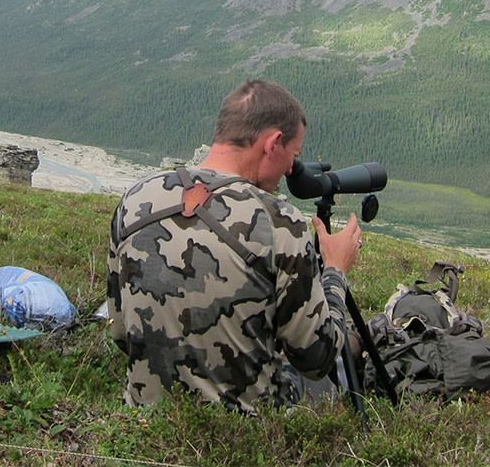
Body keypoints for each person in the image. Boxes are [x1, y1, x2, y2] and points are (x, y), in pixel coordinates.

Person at [107, 79, 362, 413]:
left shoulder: (134, 199)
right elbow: (317, 359)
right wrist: (334, 272)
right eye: (293, 156)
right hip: (244, 430)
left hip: (145, 415)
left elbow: (121, 332)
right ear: (273, 143)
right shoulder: (281, 223)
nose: (290, 169)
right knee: (337, 370)